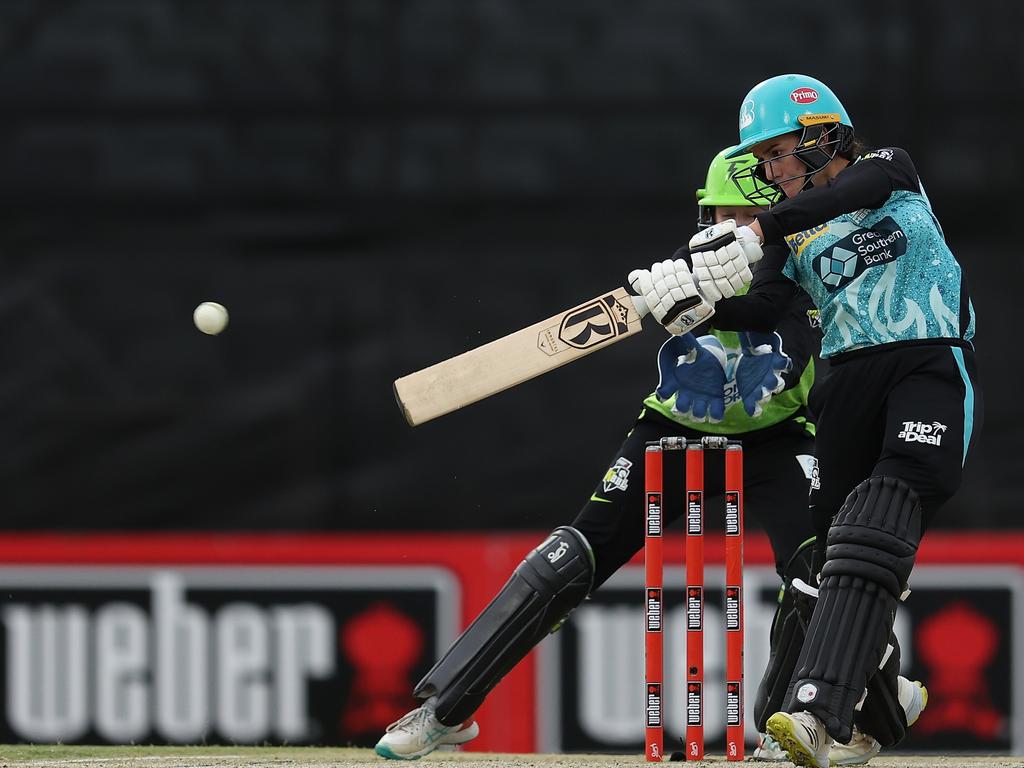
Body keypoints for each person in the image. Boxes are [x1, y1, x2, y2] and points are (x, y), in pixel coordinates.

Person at [375, 148, 824, 761]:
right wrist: (670, 297)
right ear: (706, 213)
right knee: (567, 557)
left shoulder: (809, 268)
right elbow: (683, 298)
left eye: (754, 216)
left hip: (777, 438)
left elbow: (786, 335)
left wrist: (717, 305)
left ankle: (790, 726)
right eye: (728, 213)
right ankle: (445, 710)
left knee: (818, 571)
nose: (738, 228)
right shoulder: (682, 271)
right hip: (674, 429)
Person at [629, 74, 980, 768]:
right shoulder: (790, 238)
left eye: (780, 152)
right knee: (827, 566)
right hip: (844, 386)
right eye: (760, 159)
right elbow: (762, 309)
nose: (770, 170)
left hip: (924, 364)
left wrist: (756, 229)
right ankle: (869, 715)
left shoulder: (889, 171)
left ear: (825, 136)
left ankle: (816, 714)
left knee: (879, 516)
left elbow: (849, 197)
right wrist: (694, 306)